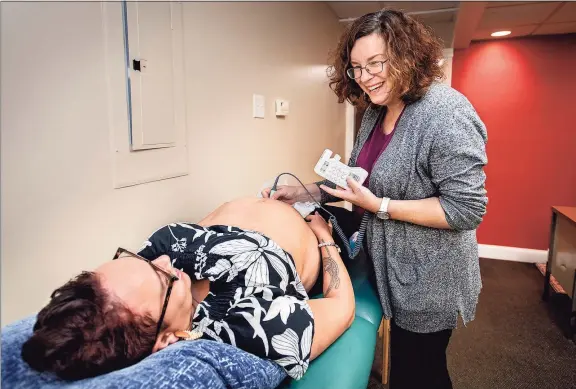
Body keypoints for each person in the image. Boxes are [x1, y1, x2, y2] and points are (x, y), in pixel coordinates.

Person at [262, 9, 488, 389]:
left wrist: (379, 206)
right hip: (389, 267)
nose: (365, 78)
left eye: (376, 63)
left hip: (430, 277)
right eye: (356, 68)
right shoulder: (374, 113)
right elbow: (357, 181)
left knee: (421, 373)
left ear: (406, 55)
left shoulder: (446, 113)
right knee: (404, 366)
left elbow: (466, 210)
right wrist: (305, 192)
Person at [21, 197, 355, 381]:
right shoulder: (257, 325)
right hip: (317, 222)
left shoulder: (152, 271)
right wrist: (325, 236)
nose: (165, 259)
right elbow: (341, 305)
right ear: (166, 339)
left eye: (136, 259)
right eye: (161, 276)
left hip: (274, 196)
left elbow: (203, 230)